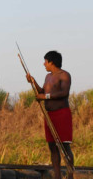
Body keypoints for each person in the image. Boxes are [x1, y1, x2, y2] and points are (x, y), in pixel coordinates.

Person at [26, 51, 74, 179]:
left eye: (45, 61)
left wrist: (45, 96)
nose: (44, 64)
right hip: (49, 115)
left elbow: (64, 93)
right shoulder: (48, 77)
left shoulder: (64, 75)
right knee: (52, 146)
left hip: (62, 114)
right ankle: (57, 176)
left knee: (64, 146)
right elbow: (41, 92)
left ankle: (70, 175)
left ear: (51, 61)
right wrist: (33, 82)